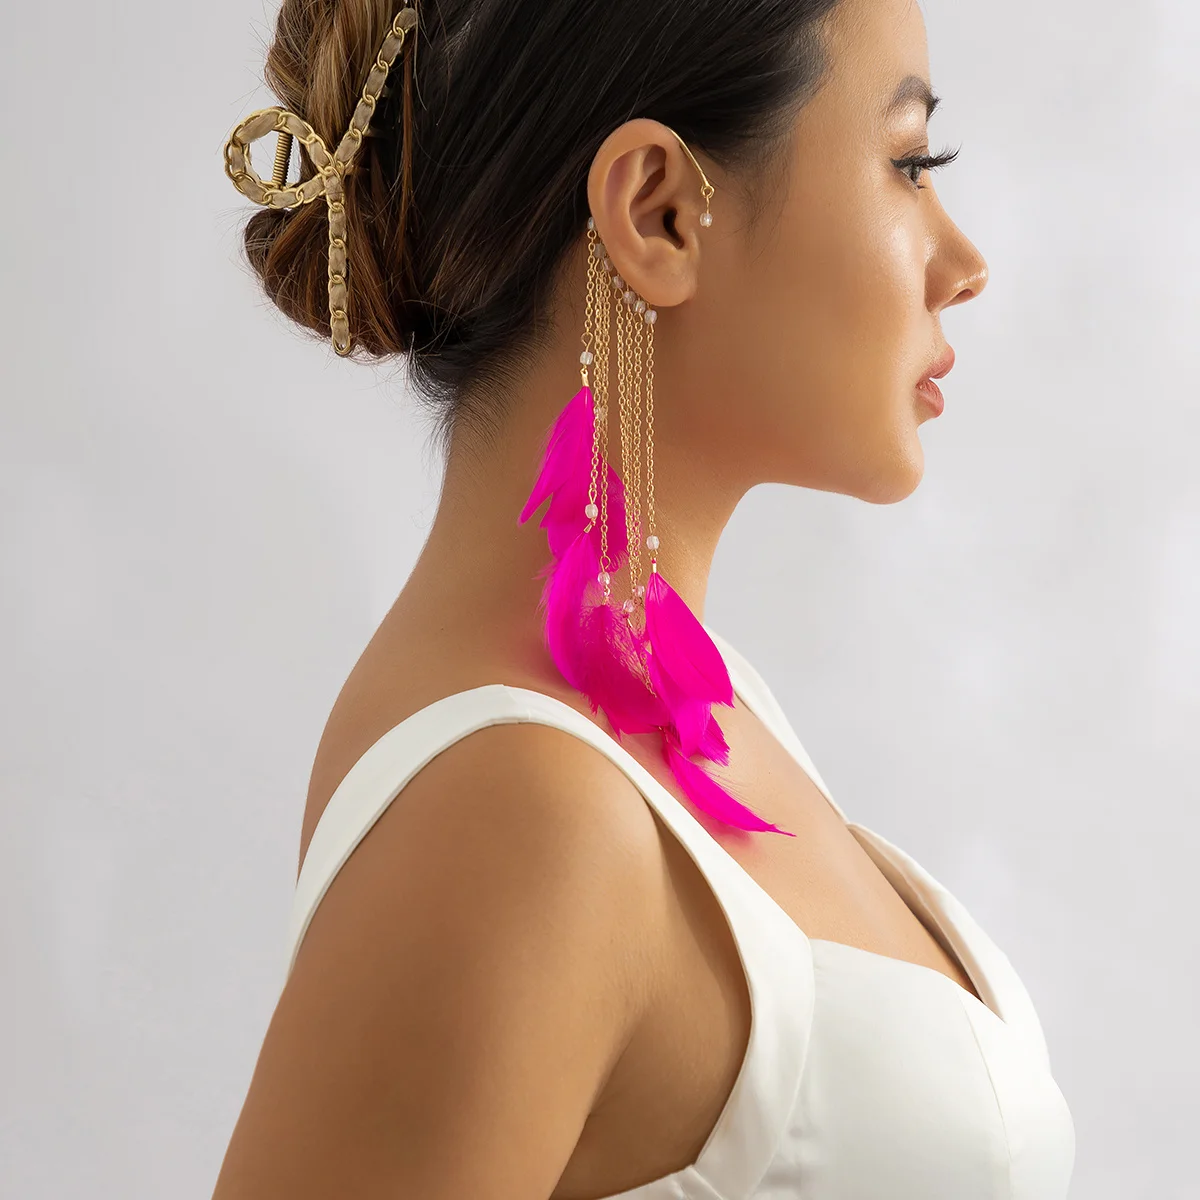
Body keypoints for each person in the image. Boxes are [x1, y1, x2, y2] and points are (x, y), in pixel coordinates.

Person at [212, 0, 1075, 1197]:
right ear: (658, 210)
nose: (963, 263)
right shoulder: (522, 807)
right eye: (910, 165)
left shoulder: (678, 706)